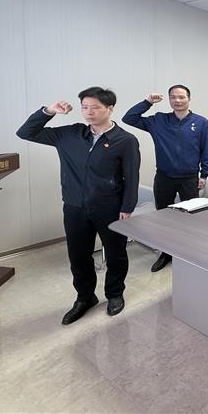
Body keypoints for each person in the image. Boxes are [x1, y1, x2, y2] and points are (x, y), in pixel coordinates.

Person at [16, 87, 140, 324]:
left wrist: (127, 207)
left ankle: (115, 294)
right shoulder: (70, 134)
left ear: (110, 109)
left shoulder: (125, 140)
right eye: (84, 107)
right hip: (74, 206)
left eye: (95, 107)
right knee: (78, 255)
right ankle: (85, 297)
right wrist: (48, 111)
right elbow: (25, 132)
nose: (89, 112)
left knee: (115, 254)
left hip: (110, 207)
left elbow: (131, 176)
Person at [123, 85, 208, 273]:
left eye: (181, 97)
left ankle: (189, 251)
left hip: (189, 179)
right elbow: (128, 118)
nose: (177, 100)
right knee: (163, 218)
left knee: (191, 218)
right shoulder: (159, 120)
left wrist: (204, 174)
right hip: (164, 178)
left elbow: (206, 149)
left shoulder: (200, 122)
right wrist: (147, 102)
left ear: (189, 99)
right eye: (173, 97)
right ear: (169, 100)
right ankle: (166, 253)